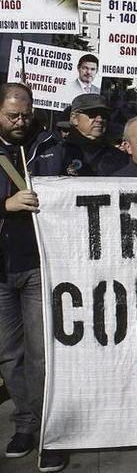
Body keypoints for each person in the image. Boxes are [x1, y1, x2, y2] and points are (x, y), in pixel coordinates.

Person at [0, 83, 71, 472]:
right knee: (10, 355)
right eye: (12, 115)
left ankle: (48, 430)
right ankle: (25, 423)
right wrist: (5, 205)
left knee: (43, 352)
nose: (20, 121)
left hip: (39, 265)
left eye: (25, 114)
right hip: (2, 269)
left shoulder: (49, 145)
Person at [63, 94, 129, 176]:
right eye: (92, 113)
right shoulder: (59, 153)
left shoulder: (119, 157)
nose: (100, 119)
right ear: (74, 119)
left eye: (104, 115)